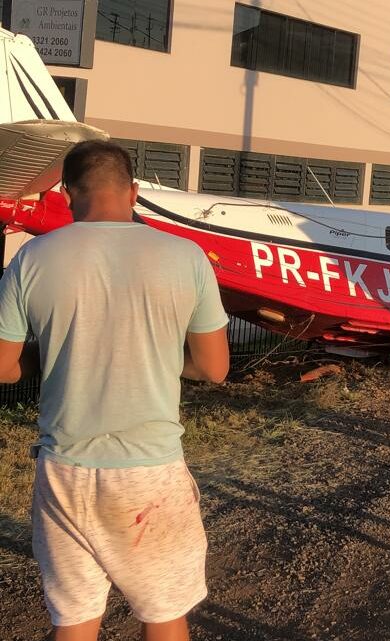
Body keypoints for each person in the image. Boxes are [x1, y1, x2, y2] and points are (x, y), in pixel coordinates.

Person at [0, 140, 230, 641]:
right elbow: (214, 369)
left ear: (66, 192)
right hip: (149, 472)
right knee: (163, 614)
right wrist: (170, 361)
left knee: (75, 619)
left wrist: (43, 363)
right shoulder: (185, 256)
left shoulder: (31, 259)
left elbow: (3, 367)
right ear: (134, 190)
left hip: (64, 469)